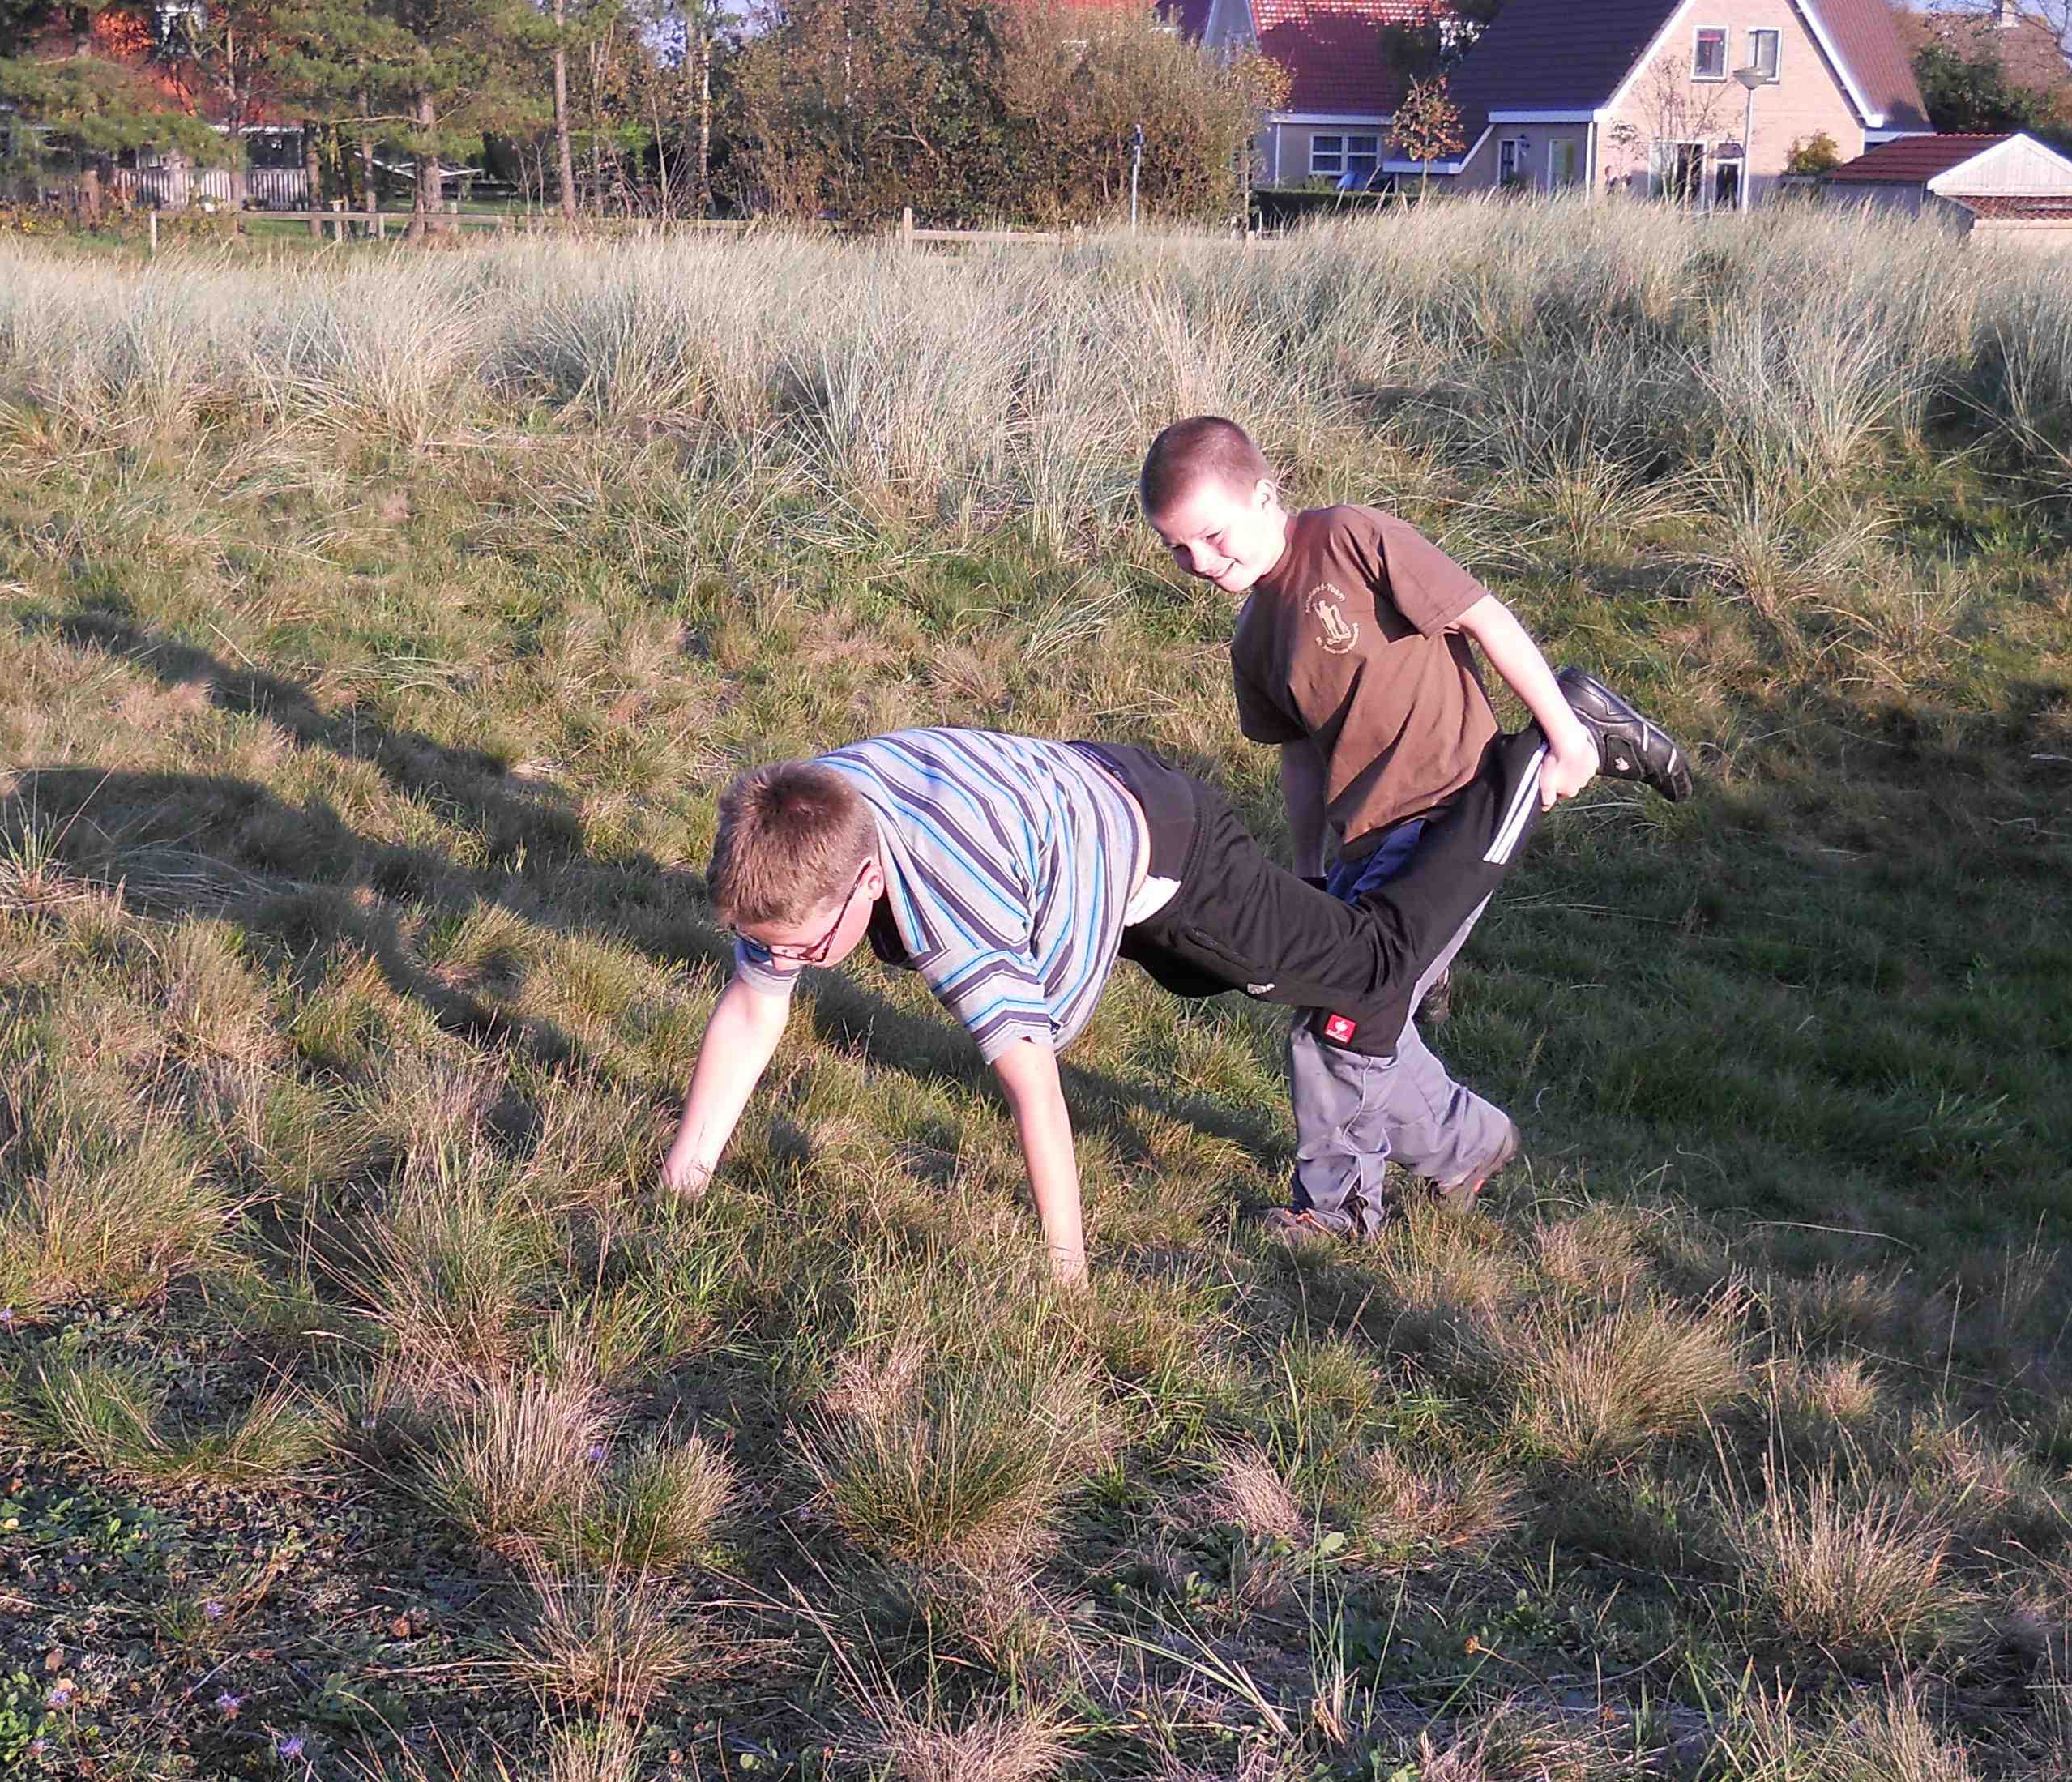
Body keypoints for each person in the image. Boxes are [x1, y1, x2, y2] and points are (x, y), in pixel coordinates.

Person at [656, 703, 1681, 1287]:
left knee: (1370, 969)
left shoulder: (954, 901)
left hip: (1166, 846)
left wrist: (1065, 1277)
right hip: (1080, 816)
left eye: (807, 945)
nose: (793, 962)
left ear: (869, 878)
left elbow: (1034, 1088)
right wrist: (682, 1183)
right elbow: (751, 1007)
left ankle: (1533, 755)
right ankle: (1470, 1146)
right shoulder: (800, 826)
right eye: (774, 946)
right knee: (1328, 985)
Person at [1140, 414, 1694, 1242]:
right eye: (1178, 550)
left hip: (1456, 803)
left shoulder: (1349, 537)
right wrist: (1311, 870)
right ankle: (1468, 1147)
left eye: (1213, 537)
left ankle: (1340, 1209)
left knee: (1343, 1017)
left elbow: (1482, 617)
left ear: (1263, 495)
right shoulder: (1253, 639)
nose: (1202, 562)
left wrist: (1564, 737)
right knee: (1353, 1013)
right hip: (1365, 846)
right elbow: (1300, 759)